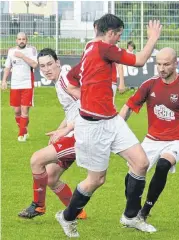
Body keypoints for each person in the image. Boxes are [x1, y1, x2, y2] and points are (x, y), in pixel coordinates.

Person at [54, 13, 162, 238]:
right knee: (96, 180)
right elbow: (140, 60)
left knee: (141, 163)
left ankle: (130, 217)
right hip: (92, 127)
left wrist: (84, 93)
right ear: (110, 33)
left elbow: (74, 78)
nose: (119, 40)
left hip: (111, 120)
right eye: (119, 35)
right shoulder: (103, 47)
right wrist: (152, 38)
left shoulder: (91, 46)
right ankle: (67, 217)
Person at [119, 47, 179, 227]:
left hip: (178, 140)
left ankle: (144, 213)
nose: (161, 68)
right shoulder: (149, 84)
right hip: (152, 139)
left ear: (176, 64)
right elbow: (129, 106)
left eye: (166, 64)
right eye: (159, 64)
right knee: (130, 178)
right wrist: (117, 131)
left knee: (163, 165)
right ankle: (133, 210)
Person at [18, 48, 86, 220]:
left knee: (36, 159)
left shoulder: (65, 78)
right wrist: (60, 129)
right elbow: (73, 109)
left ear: (58, 62)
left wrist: (67, 129)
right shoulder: (59, 81)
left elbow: (87, 105)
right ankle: (77, 211)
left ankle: (38, 206)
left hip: (83, 135)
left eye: (50, 64)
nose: (47, 69)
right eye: (42, 66)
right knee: (51, 177)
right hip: (74, 132)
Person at [1, 32, 38, 142]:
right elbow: (7, 67)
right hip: (15, 85)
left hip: (27, 84)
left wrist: (22, 56)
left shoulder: (31, 50)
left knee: (24, 110)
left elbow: (35, 64)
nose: (21, 41)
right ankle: (24, 130)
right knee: (17, 111)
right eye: (19, 39)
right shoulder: (11, 51)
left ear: (27, 40)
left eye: (23, 39)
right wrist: (3, 81)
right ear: (16, 40)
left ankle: (21, 135)